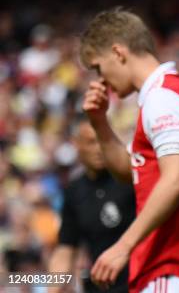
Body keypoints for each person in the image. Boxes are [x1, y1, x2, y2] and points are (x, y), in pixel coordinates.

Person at [79, 9, 179, 292]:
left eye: (98, 67)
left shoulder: (163, 97)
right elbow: (131, 173)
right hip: (171, 264)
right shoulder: (166, 94)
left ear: (118, 52)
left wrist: (122, 246)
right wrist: (100, 123)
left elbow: (175, 181)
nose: (101, 80)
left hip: (169, 261)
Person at [48, 118, 135, 293]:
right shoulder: (74, 191)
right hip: (103, 287)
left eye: (102, 141)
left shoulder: (129, 179)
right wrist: (53, 288)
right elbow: (66, 248)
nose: (98, 149)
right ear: (76, 144)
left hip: (139, 283)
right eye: (91, 142)